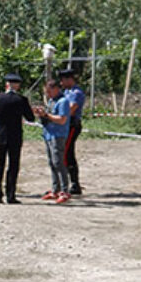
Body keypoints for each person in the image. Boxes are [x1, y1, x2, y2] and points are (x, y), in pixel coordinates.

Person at [0, 73, 34, 204]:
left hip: (1, 135)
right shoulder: (21, 100)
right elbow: (30, 118)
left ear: (7, 84)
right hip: (15, 136)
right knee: (13, 165)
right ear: (17, 85)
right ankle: (10, 194)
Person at [34, 79, 72, 204]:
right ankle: (56, 189)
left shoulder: (63, 102)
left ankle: (65, 191)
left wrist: (46, 115)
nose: (47, 95)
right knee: (52, 163)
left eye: (49, 92)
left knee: (59, 162)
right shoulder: (51, 101)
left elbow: (61, 120)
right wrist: (41, 114)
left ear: (56, 89)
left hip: (58, 135)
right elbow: (49, 115)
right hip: (49, 134)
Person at [60, 68, 85, 196]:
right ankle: (70, 182)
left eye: (63, 80)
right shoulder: (66, 91)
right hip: (65, 125)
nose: (61, 83)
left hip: (72, 125)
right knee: (65, 152)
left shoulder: (76, 93)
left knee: (67, 152)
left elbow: (71, 110)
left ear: (69, 79)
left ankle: (74, 183)